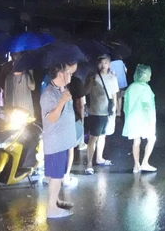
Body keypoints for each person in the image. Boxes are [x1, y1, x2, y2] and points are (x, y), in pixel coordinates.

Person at [40, 62, 77, 219]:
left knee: (56, 174)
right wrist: (62, 101)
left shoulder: (62, 90)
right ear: (61, 73)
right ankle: (51, 209)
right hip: (56, 141)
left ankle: (55, 200)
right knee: (55, 176)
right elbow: (51, 118)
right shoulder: (49, 94)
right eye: (68, 72)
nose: (71, 75)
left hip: (63, 141)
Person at [85, 55, 118, 174]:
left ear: (109, 64)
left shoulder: (112, 78)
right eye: (100, 62)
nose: (103, 65)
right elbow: (86, 92)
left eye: (105, 62)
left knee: (103, 136)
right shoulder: (93, 77)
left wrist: (116, 110)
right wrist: (90, 81)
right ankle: (89, 164)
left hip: (107, 112)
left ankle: (99, 158)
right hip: (96, 112)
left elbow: (114, 94)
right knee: (93, 138)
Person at [122, 64, 157, 173]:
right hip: (143, 119)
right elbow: (147, 105)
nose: (150, 77)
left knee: (136, 141)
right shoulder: (145, 88)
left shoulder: (131, 87)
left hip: (131, 119)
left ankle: (136, 165)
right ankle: (145, 162)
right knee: (151, 138)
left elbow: (125, 104)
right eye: (148, 75)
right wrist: (151, 121)